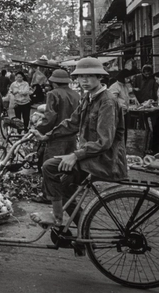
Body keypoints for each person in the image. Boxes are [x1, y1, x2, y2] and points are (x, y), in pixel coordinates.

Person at [31, 58, 127, 229]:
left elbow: (104, 142)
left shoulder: (107, 101)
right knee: (65, 186)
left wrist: (75, 155)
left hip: (105, 159)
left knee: (49, 166)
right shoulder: (88, 98)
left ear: (99, 77)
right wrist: (48, 136)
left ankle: (57, 218)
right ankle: (83, 229)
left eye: (89, 76)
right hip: (92, 156)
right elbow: (72, 123)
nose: (84, 81)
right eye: (81, 77)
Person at [35, 69, 81, 163]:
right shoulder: (76, 95)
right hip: (72, 136)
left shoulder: (53, 94)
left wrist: (39, 128)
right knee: (68, 167)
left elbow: (49, 117)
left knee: (51, 166)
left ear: (54, 83)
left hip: (56, 135)